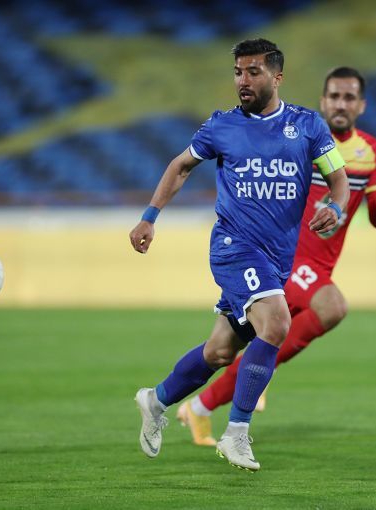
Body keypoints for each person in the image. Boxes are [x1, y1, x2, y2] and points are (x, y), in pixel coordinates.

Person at [129, 39, 350, 472]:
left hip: (276, 259)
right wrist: (149, 217)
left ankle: (155, 400)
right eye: (237, 72)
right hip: (233, 248)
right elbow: (180, 166)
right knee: (277, 321)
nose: (242, 80)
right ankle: (236, 433)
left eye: (252, 72)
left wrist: (337, 209)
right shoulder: (221, 126)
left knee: (219, 351)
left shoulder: (307, 125)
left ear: (277, 76)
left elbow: (338, 180)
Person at [176, 67, 376, 446]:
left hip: (321, 264)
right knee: (331, 307)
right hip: (285, 257)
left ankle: (202, 405)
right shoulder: (301, 138)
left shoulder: (372, 153)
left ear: (361, 105)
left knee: (256, 343)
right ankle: (245, 381)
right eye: (334, 96)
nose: (341, 104)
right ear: (323, 101)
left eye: (349, 98)